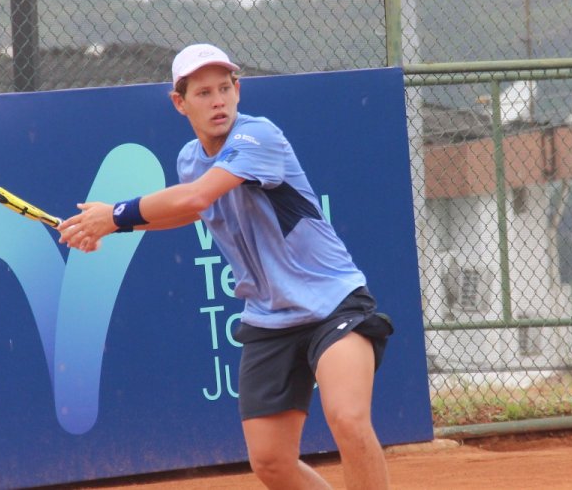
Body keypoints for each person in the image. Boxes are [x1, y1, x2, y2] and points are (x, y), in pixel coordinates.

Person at [58, 43, 393, 490]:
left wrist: (115, 214)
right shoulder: (189, 159)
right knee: (272, 462)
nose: (217, 100)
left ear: (238, 91)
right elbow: (189, 211)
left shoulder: (259, 136)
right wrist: (111, 228)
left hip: (333, 303)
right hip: (268, 320)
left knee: (348, 420)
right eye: (203, 93)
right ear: (180, 103)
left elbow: (196, 196)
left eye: (224, 88)